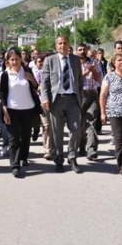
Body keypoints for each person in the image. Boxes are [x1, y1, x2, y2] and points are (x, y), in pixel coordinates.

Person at [41, 35, 84, 174]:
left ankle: (72, 157)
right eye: (60, 43)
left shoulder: (76, 60)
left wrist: (80, 99)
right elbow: (45, 82)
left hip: (72, 100)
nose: (62, 46)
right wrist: (45, 98)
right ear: (56, 46)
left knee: (76, 130)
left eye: (65, 43)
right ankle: (59, 159)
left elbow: (79, 80)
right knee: (57, 133)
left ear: (69, 45)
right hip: (56, 100)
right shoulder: (49, 60)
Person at [0, 49, 39, 177]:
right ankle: (15, 165)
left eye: (17, 59)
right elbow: (2, 94)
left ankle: (23, 157)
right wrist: (5, 111)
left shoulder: (27, 71)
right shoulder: (5, 75)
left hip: (28, 109)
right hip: (12, 110)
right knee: (13, 138)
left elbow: (36, 86)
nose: (15, 62)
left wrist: (32, 79)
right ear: (8, 61)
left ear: (20, 59)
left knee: (26, 136)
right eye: (12, 60)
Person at [77, 44, 102, 160]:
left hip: (92, 94)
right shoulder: (74, 64)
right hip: (80, 96)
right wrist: (87, 71)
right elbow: (75, 80)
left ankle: (91, 149)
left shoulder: (93, 62)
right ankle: (81, 145)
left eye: (84, 49)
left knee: (92, 122)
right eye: (80, 50)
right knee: (81, 123)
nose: (82, 51)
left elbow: (98, 79)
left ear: (87, 50)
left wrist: (93, 71)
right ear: (77, 51)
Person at [34, 52, 54, 159]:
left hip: (56, 102)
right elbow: (35, 88)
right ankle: (48, 149)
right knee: (46, 126)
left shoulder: (57, 72)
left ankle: (55, 148)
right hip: (43, 102)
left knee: (55, 126)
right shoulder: (39, 73)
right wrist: (40, 87)